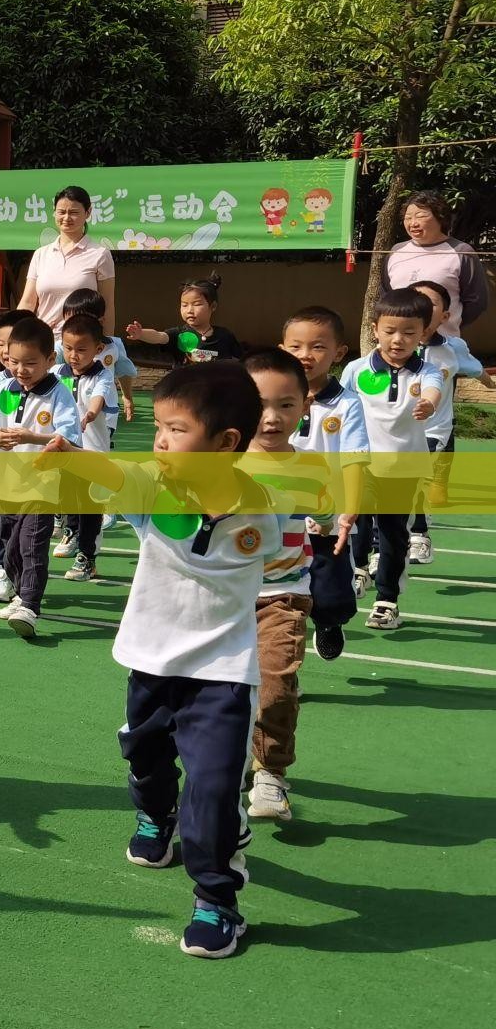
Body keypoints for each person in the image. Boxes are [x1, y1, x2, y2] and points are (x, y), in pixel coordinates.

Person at [50, 363, 288, 959]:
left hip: (223, 675)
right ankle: (156, 818)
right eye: (158, 427)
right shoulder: (152, 492)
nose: (159, 441)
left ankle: (217, 902)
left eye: (175, 429)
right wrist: (68, 455)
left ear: (225, 444)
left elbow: (287, 548)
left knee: (211, 793)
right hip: (151, 664)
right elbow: (112, 470)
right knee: (146, 759)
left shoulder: (262, 506)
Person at [239, 349, 343, 826]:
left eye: (286, 404)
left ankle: (271, 772)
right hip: (227, 596)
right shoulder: (223, 462)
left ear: (305, 406)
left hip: (284, 594)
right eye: (259, 403)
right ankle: (230, 756)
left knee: (277, 684)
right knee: (224, 691)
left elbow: (322, 515)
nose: (272, 417)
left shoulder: (311, 466)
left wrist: (328, 519)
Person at [0, 314, 82, 637]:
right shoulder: (5, 387)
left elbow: (67, 438)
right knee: (11, 550)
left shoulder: (59, 394)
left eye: (30, 363)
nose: (21, 370)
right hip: (5, 485)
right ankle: (20, 594)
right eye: (15, 362)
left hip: (41, 487)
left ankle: (30, 605)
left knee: (32, 545)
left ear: (51, 359)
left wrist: (31, 437)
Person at [341, 288, 444, 631]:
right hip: (360, 463)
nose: (398, 339)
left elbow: (433, 389)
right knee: (355, 521)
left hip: (403, 468)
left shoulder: (425, 372)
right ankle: (358, 570)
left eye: (409, 332)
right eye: (389, 331)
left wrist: (428, 403)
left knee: (392, 534)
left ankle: (387, 600)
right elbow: (341, 408)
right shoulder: (356, 370)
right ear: (375, 329)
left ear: (424, 333)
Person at [280, 305, 368, 661]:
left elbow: (355, 458)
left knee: (330, 593)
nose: (305, 355)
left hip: (325, 518)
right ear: (282, 348)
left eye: (317, 347)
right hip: (276, 514)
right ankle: (281, 666)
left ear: (339, 353)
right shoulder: (269, 396)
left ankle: (329, 623)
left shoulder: (346, 404)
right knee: (275, 595)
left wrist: (350, 508)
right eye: (295, 347)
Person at [408, 280, 493, 563]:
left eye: (430, 303)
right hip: (397, 431)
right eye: (415, 299)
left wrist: (488, 382)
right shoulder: (393, 347)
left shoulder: (452, 348)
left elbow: (475, 367)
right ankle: (384, 542)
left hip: (435, 428)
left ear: (444, 316)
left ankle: (420, 534)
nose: (421, 306)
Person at [0, 309, 37, 605]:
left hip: (29, 473)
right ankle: (0, 569)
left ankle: (23, 579)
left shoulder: (44, 383)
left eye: (11, 345)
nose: (4, 351)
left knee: (21, 531)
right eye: (0, 343)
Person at [377, 190, 489, 338]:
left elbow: (476, 301)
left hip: (444, 343)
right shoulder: (396, 251)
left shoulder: (461, 251)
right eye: (408, 218)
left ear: (440, 217)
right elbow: (386, 294)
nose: (413, 223)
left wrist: (448, 323)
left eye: (421, 216)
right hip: (400, 344)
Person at [57, 311, 118, 583]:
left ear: (98, 348)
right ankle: (70, 531)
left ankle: (87, 557)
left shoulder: (102, 376)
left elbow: (97, 400)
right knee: (67, 494)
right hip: (64, 448)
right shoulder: (56, 373)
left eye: (81, 349)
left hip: (92, 449)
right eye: (68, 348)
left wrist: (90, 414)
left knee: (90, 504)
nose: (74, 355)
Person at [17, 185, 115, 331]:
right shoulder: (41, 254)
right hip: (44, 343)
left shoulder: (100, 254)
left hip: (83, 345)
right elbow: (28, 302)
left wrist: (108, 344)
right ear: (54, 213)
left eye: (74, 212)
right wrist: (15, 335)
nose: (66, 218)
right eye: (61, 212)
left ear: (88, 213)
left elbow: (107, 305)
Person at [54, 286, 136, 423]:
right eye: (70, 321)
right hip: (69, 410)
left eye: (83, 321)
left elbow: (124, 371)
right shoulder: (61, 348)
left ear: (101, 321)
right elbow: (50, 376)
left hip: (105, 413)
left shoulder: (113, 345)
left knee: (100, 442)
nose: (76, 327)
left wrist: (127, 397)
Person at [125, 274, 242, 365]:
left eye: (196, 304)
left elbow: (241, 361)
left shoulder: (225, 336)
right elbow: (159, 336)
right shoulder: (179, 334)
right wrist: (141, 334)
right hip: (185, 389)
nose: (190, 310)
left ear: (213, 306)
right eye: (184, 305)